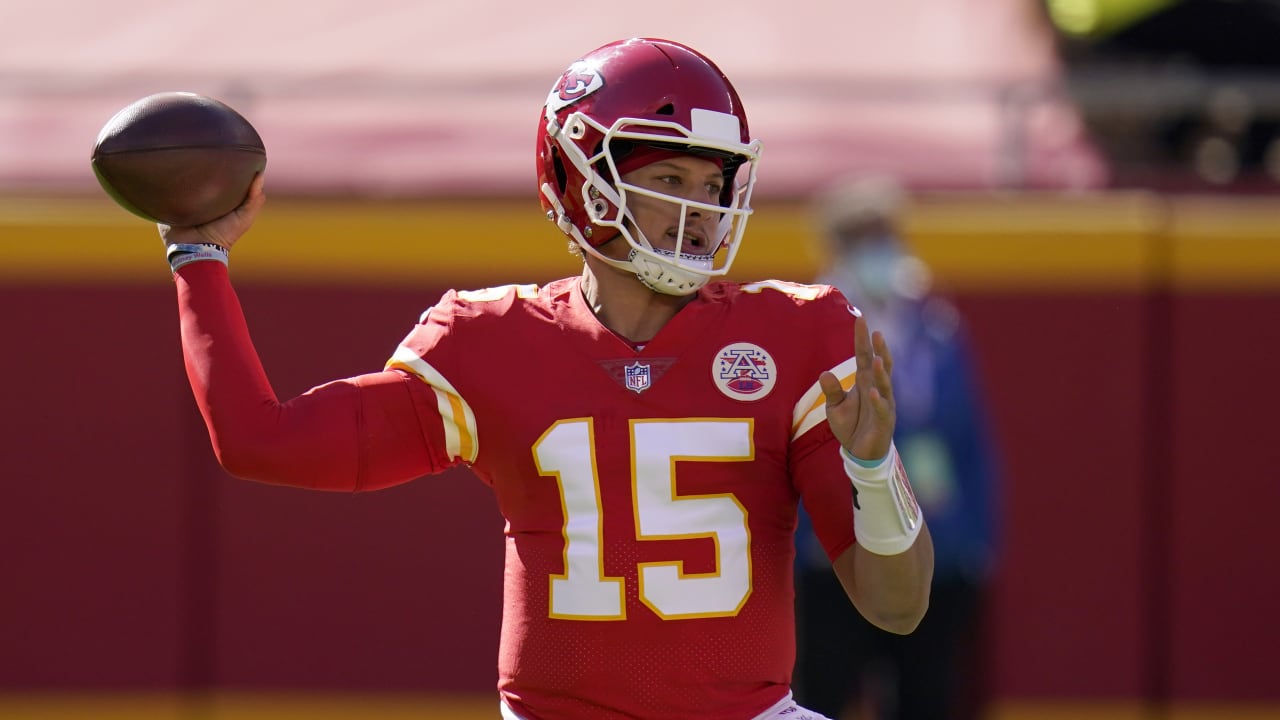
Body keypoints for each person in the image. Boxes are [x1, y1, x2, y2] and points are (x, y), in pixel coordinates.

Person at [156, 38, 934, 720]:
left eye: (713, 185)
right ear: (582, 179)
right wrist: (198, 255)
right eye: (671, 178)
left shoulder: (798, 335)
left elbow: (898, 607)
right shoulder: (490, 341)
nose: (699, 210)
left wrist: (871, 468)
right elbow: (262, 440)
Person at [793, 176, 1001, 720]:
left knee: (927, 693)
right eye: (865, 237)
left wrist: (975, 538)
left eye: (886, 234)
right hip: (836, 550)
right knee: (824, 691)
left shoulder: (934, 325)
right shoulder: (810, 324)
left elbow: (968, 440)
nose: (881, 249)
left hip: (935, 540)